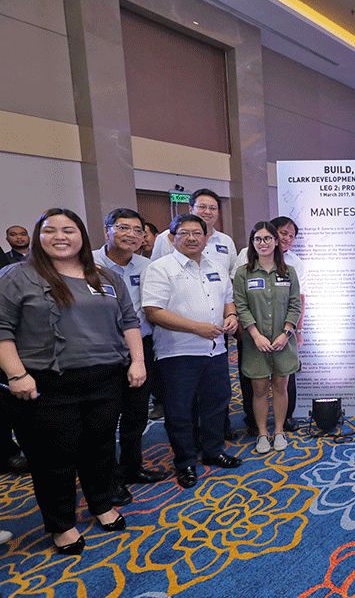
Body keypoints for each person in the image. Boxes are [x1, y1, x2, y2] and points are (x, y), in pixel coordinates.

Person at [0, 208, 145, 554]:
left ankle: (100, 504)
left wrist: (137, 361)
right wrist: (15, 374)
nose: (61, 236)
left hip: (105, 380)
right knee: (53, 458)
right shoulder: (18, 276)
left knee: (99, 448)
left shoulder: (105, 277)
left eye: (69, 229)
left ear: (82, 235)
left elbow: (129, 322)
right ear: (39, 237)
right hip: (45, 385)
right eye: (51, 230)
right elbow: (2, 329)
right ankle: (61, 524)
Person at [142, 214, 242, 490]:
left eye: (197, 233)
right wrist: (197, 328)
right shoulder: (160, 268)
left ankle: (213, 450)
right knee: (180, 411)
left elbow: (228, 302)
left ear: (206, 237)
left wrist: (231, 317)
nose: (191, 238)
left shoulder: (216, 267)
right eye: (184, 233)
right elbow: (153, 311)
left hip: (215, 350)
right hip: (178, 353)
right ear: (172, 238)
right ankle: (185, 462)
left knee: (216, 403)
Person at [93, 208, 170, 506]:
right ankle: (108, 480)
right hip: (103, 352)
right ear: (108, 230)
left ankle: (132, 467)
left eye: (138, 231)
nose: (131, 235)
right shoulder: (90, 265)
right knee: (103, 418)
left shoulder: (147, 266)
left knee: (136, 412)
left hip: (142, 348)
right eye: (123, 228)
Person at [233, 222, 302, 454]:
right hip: (256, 343)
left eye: (267, 238)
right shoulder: (243, 272)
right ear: (252, 243)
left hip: (284, 341)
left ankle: (279, 430)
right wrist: (255, 335)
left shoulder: (289, 271)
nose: (263, 243)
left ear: (275, 242)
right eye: (257, 239)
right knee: (259, 389)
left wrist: (287, 333)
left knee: (281, 387)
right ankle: (263, 433)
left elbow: (295, 304)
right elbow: (241, 307)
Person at [150, 189, 237, 277]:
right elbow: (155, 272)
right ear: (191, 209)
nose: (207, 212)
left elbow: (232, 274)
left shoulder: (226, 241)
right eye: (202, 207)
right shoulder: (169, 237)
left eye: (213, 208)